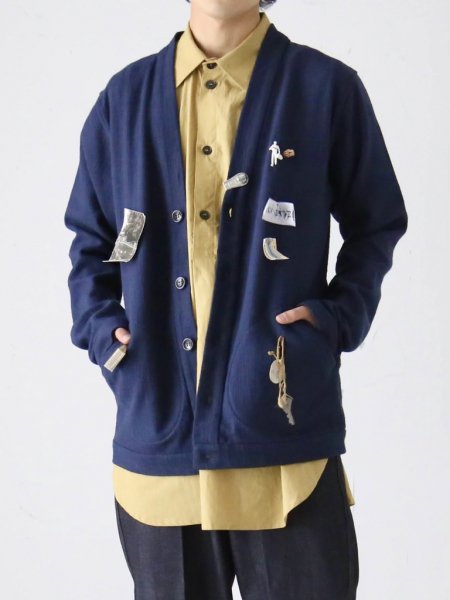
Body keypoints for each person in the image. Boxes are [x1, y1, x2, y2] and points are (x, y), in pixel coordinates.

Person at [64, 1, 408, 598]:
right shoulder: (124, 99)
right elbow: (89, 241)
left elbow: (377, 222)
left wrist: (335, 319)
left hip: (281, 436)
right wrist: (103, 332)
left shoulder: (323, 88)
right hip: (160, 441)